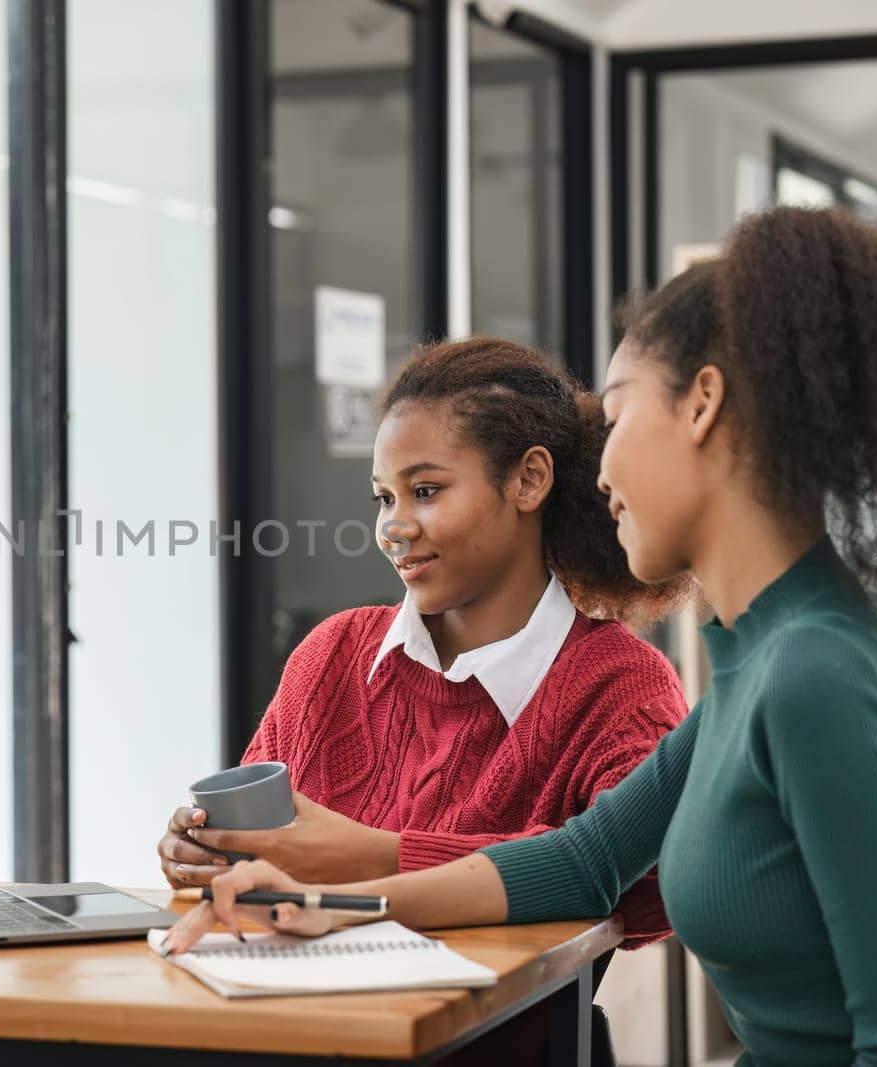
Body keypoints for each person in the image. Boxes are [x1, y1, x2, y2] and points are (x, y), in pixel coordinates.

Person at [167, 206, 877, 1065]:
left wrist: (354, 863)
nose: (602, 468)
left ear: (702, 405)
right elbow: (583, 861)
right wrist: (320, 905)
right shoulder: (763, 654)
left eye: (619, 418)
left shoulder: (814, 670)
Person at [157, 336, 694, 949]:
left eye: (427, 491)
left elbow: (646, 889)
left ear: (529, 480)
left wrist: (373, 857)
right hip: (297, 1021)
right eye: (385, 498)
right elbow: (265, 867)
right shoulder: (332, 653)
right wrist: (209, 852)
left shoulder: (619, 685)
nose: (394, 526)